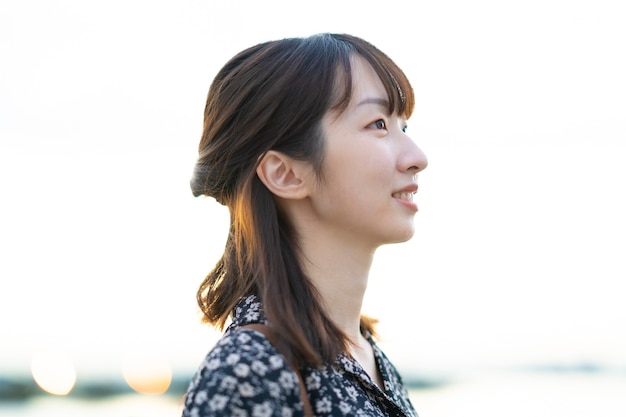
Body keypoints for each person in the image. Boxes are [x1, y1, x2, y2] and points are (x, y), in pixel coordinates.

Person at [182, 33, 428, 417]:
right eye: (378, 123)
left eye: (404, 128)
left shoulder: (365, 352)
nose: (417, 158)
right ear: (285, 173)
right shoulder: (249, 372)